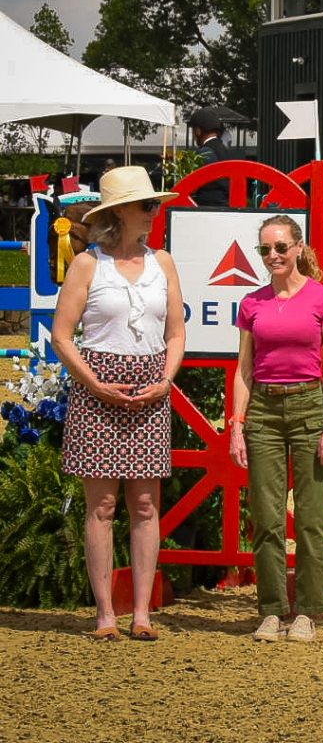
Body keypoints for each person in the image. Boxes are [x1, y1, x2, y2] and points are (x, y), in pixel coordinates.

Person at [52, 166, 185, 642]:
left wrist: (166, 380)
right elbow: (63, 337)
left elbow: (175, 332)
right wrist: (95, 385)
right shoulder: (88, 265)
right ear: (119, 213)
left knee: (146, 503)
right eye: (147, 205)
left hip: (150, 385)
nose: (154, 212)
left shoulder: (163, 262)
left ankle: (142, 612)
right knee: (103, 504)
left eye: (155, 204)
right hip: (97, 386)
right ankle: (106, 614)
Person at [228, 215, 323, 643]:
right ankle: (272, 610)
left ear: (297, 248)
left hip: (310, 406)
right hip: (263, 411)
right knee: (267, 518)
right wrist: (236, 425)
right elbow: (243, 371)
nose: (273, 256)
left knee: (312, 518)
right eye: (265, 250)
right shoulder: (251, 304)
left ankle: (309, 611)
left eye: (280, 248)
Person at [188, 108, 236, 207]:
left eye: (193, 131)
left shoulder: (203, 153)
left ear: (198, 131)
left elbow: (192, 186)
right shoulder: (227, 151)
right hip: (228, 205)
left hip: (207, 207)